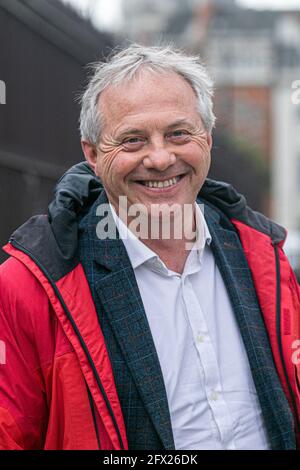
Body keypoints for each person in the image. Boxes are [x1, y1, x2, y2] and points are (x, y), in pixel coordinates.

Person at [0, 44, 299, 450]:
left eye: (178, 133)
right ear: (91, 153)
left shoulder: (265, 256)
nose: (160, 158)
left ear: (207, 139)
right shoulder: (28, 287)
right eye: (133, 140)